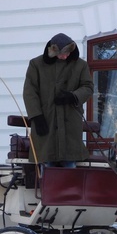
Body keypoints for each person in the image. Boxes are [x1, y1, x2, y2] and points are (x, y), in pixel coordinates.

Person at [23, 33, 94, 167]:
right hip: (46, 121)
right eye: (62, 53)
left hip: (70, 124)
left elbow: (88, 87)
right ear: (53, 52)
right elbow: (29, 92)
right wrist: (36, 117)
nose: (65, 56)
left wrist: (73, 96)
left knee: (69, 170)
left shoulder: (80, 65)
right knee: (48, 168)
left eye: (68, 53)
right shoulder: (36, 65)